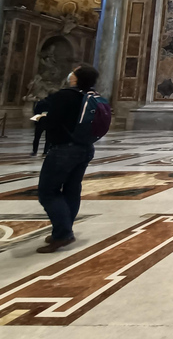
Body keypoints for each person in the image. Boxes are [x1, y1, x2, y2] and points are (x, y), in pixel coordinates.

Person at [36, 65, 100, 253]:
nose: (70, 73)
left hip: (64, 149)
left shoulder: (65, 95)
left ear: (75, 78)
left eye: (73, 71)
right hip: (85, 148)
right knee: (72, 189)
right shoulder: (92, 96)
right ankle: (63, 230)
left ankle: (63, 233)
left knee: (48, 191)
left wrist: (41, 119)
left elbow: (52, 121)